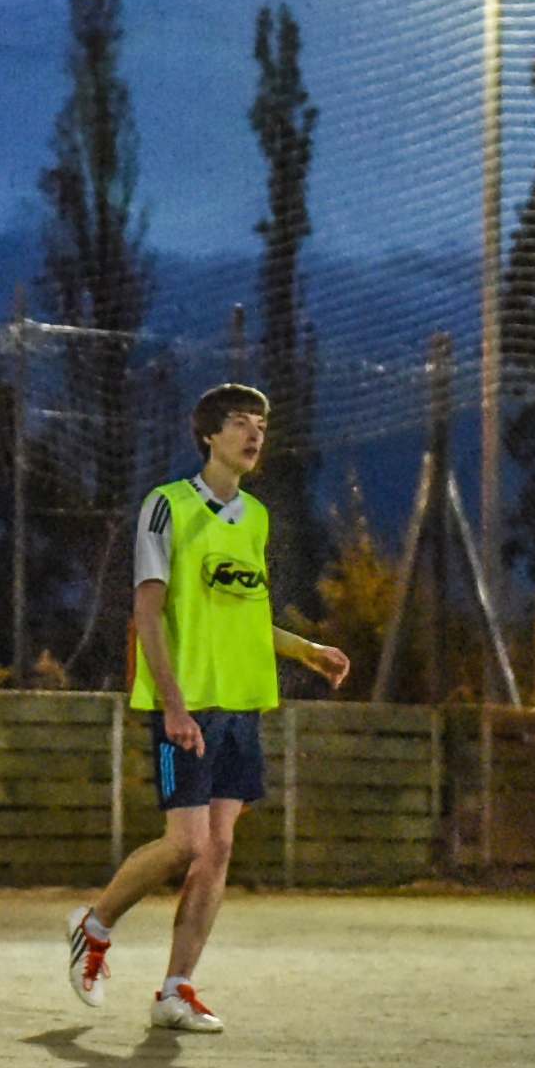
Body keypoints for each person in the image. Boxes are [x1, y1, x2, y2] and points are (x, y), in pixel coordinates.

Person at [67, 383, 348, 1033]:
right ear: (209, 436)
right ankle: (95, 923)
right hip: (184, 708)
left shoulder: (255, 518)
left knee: (217, 849)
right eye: (242, 424)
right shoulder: (165, 507)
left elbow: (249, 620)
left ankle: (175, 988)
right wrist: (172, 705)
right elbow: (147, 612)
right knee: (184, 845)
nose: (254, 435)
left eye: (261, 426)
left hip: (240, 707)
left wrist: (305, 650)